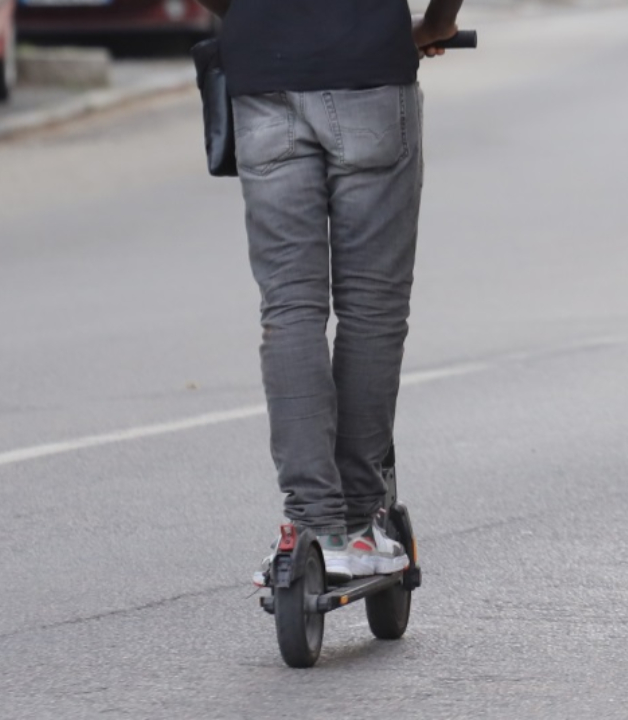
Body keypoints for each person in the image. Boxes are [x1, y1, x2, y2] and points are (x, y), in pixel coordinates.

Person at [191, 0, 464, 581]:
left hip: (261, 80)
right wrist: (438, 23)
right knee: (372, 308)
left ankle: (312, 522)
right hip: (368, 72)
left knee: (289, 308)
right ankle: (360, 520)